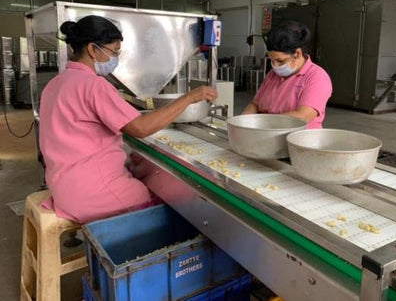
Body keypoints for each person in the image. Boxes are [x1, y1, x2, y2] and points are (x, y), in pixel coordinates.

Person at [39, 15, 217, 223]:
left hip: (63, 187)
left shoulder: (55, 83)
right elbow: (140, 128)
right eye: (113, 51)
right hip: (92, 193)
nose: (116, 58)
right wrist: (190, 97)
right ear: (92, 49)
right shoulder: (93, 85)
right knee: (175, 204)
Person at [242, 21, 332, 128]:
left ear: (297, 54)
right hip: (268, 135)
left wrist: (262, 124)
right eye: (272, 60)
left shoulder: (317, 77)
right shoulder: (272, 74)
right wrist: (242, 122)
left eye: (280, 61)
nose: (275, 66)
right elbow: (255, 104)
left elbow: (302, 116)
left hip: (298, 140)